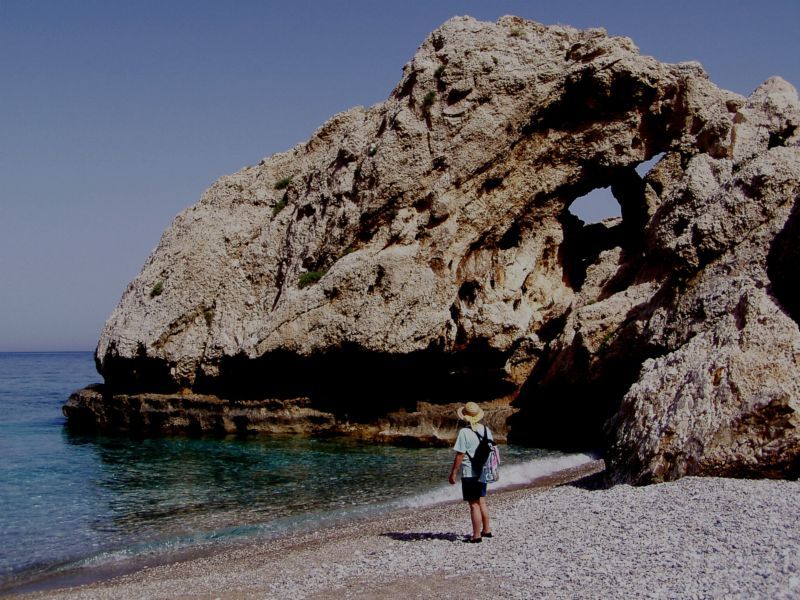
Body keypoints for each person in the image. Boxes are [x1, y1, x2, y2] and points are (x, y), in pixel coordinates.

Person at [449, 401, 493, 543]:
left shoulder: (464, 432)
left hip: (470, 472)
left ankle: (476, 536)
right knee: (482, 502)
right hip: (483, 471)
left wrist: (453, 473)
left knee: (474, 505)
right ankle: (487, 530)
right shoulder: (486, 430)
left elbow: (460, 454)